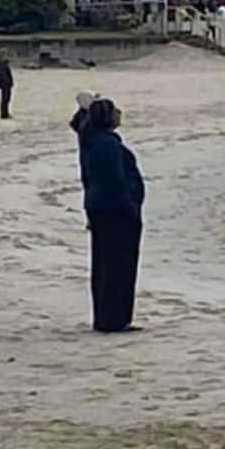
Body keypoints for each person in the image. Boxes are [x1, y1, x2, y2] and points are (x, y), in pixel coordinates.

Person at [81, 98, 145, 332]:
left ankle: (111, 317)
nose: (120, 113)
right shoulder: (105, 145)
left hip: (103, 210)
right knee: (116, 267)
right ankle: (113, 319)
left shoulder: (93, 140)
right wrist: (129, 206)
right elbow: (114, 181)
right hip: (115, 212)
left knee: (108, 265)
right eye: (115, 111)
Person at [0, 52, 15, 119]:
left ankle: (6, 112)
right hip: (5, 84)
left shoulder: (5, 63)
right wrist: (6, 82)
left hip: (7, 84)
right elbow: (1, 74)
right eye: (6, 55)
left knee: (7, 99)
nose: (7, 56)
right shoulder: (1, 64)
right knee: (5, 99)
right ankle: (4, 114)